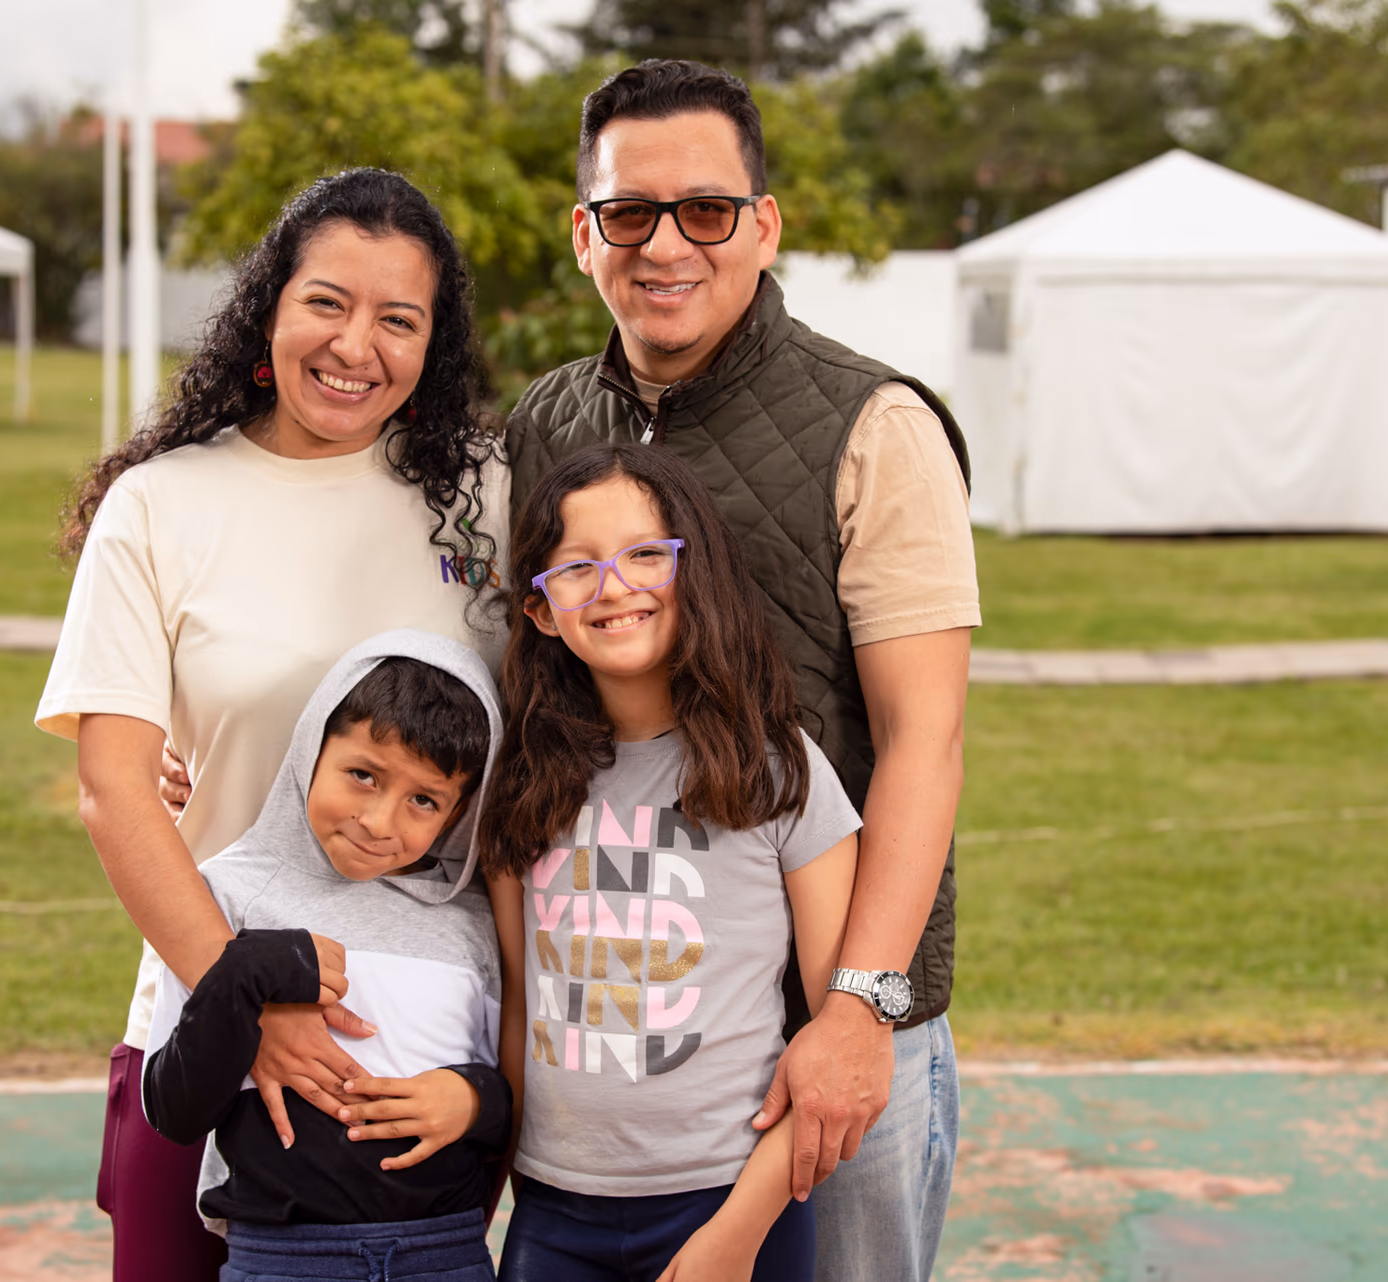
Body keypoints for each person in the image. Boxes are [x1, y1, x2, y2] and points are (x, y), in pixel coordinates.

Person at [505, 61, 978, 1281]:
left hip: (832, 1019)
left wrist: (859, 1011)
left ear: (763, 225)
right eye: (629, 212)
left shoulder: (878, 426)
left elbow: (924, 742)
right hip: (626, 1056)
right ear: (583, 234)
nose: (666, 244)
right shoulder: (540, 430)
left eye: (705, 211)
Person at [35, 167, 507, 1282]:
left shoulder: (486, 493)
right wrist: (245, 1003)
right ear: (269, 308)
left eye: (401, 319)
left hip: (413, 1078)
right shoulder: (161, 504)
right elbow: (114, 790)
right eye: (327, 302)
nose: (357, 346)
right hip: (200, 1031)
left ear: (433, 345)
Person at [480, 444, 861, 1282]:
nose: (614, 587)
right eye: (575, 568)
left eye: (646, 555)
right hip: (553, 1210)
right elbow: (518, 1011)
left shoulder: (780, 771)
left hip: (732, 1205)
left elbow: (831, 1034)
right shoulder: (520, 781)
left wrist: (740, 1233)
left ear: (697, 572)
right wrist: (477, 1206)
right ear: (541, 611)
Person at [143, 633, 510, 1282]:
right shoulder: (227, 893)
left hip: (444, 1256)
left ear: (461, 812)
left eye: (424, 800)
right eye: (362, 775)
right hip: (282, 1261)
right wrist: (248, 969)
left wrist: (474, 1100)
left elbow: (513, 1092)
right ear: (312, 748)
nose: (378, 820)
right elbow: (173, 1108)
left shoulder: (472, 922)